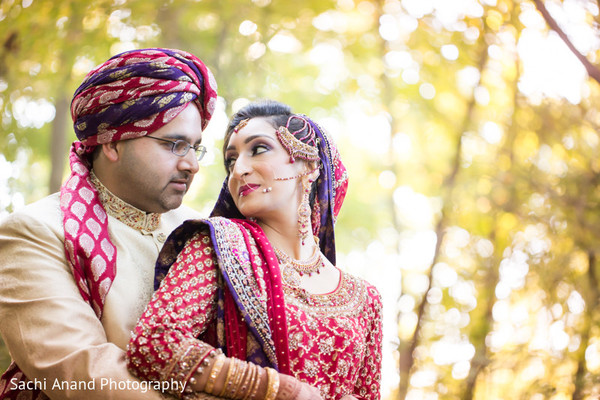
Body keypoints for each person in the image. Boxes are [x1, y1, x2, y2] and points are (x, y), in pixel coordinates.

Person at [127, 100, 383, 400]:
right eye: (231, 160)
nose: (238, 170)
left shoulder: (365, 299)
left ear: (310, 165)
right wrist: (282, 390)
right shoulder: (220, 247)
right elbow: (154, 344)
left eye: (258, 149)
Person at [0, 48, 218, 399]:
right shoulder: (37, 231)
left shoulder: (200, 230)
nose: (192, 164)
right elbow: (83, 372)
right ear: (113, 142)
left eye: (195, 147)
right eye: (175, 144)